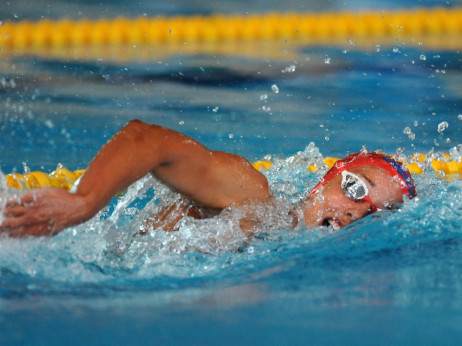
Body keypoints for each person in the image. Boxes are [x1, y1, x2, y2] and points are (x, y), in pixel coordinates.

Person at [0, 119, 416, 237]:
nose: (353, 212)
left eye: (374, 213)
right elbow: (149, 141)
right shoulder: (255, 197)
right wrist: (85, 202)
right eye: (355, 189)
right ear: (327, 178)